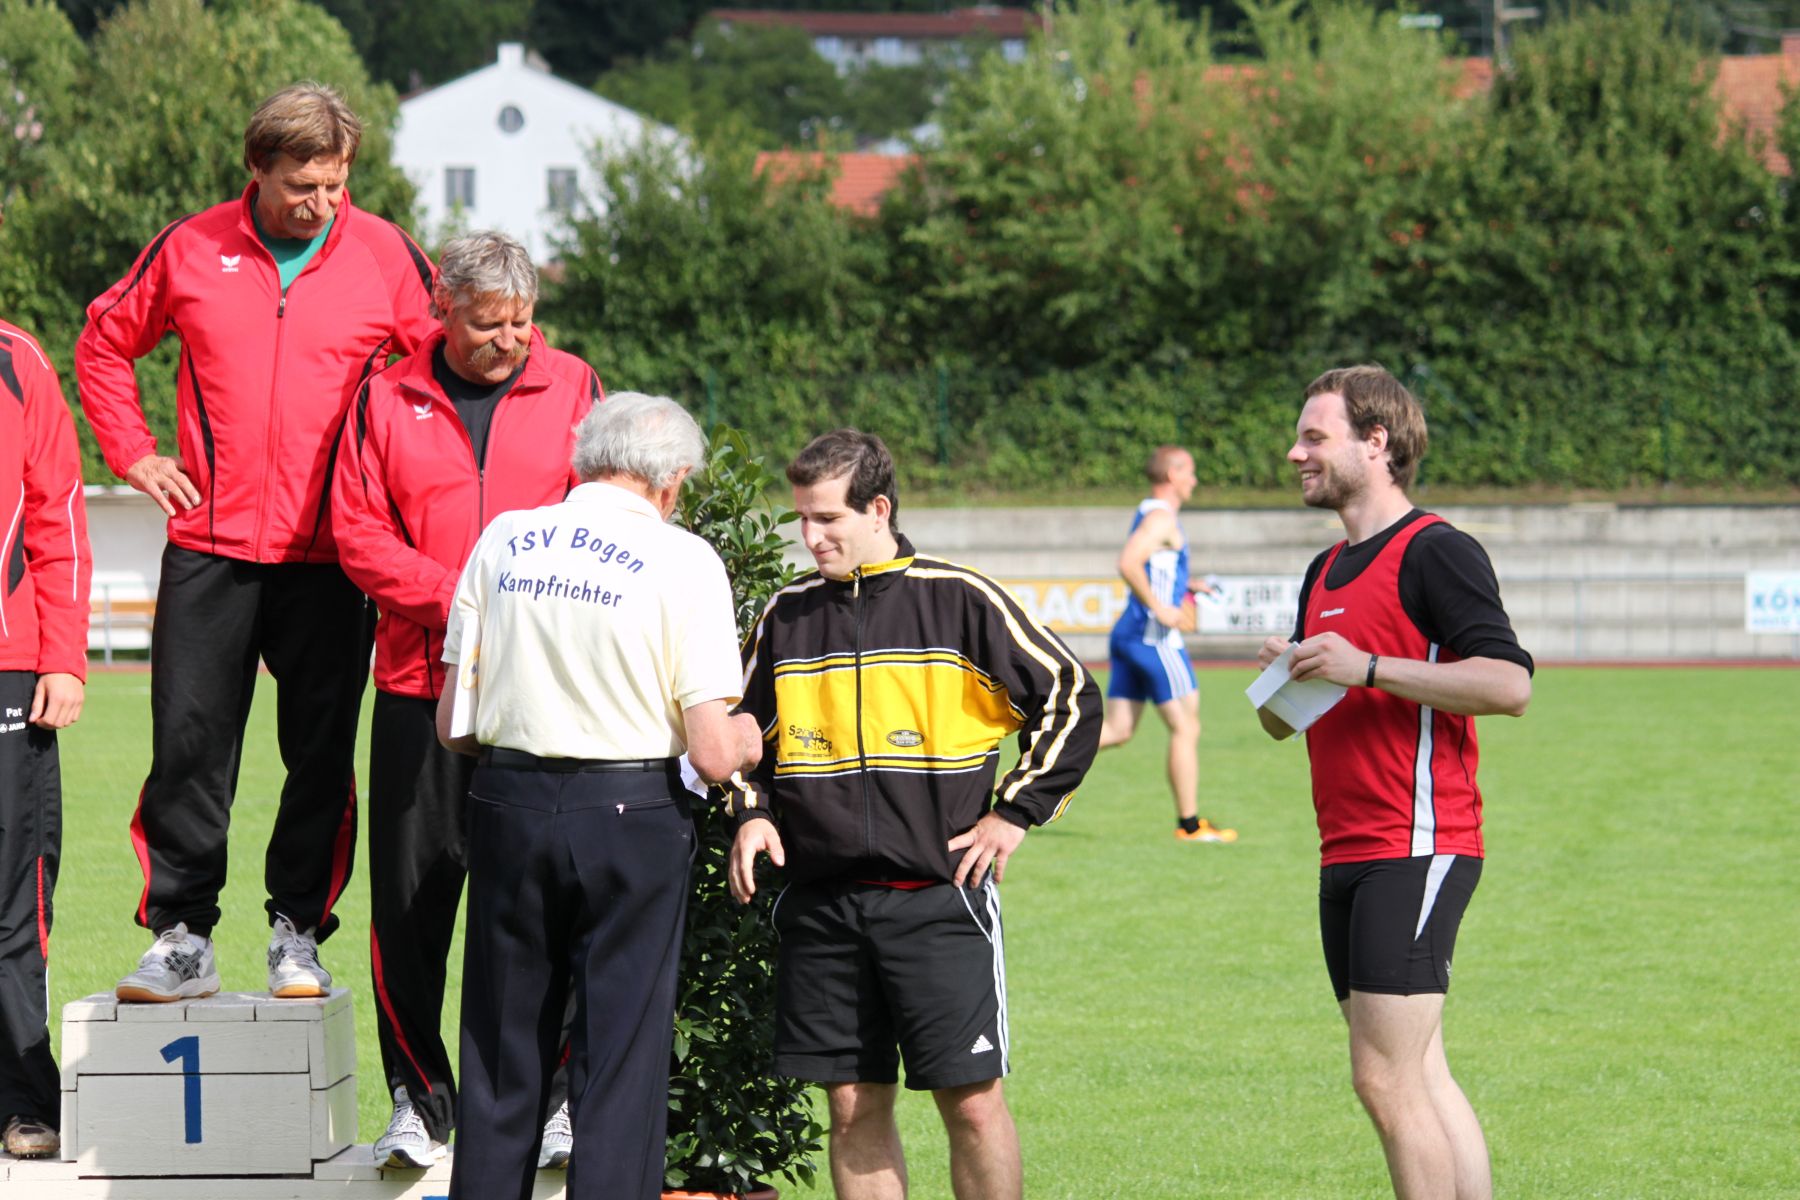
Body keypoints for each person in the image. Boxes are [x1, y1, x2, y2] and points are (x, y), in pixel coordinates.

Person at [77, 83, 436, 1004]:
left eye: (335, 183)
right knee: (188, 747)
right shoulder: (191, 246)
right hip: (210, 542)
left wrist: (394, 495)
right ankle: (182, 936)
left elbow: (442, 371)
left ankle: (297, 934)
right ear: (258, 170)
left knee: (320, 753)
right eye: (302, 185)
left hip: (334, 555)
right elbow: (104, 342)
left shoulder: (387, 254)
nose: (322, 203)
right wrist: (134, 452)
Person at [726, 430, 1101, 1200]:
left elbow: (1070, 696)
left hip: (939, 899)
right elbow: (738, 733)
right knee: (851, 1105)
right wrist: (751, 812)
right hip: (823, 905)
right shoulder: (787, 614)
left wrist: (1015, 812)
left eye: (828, 518)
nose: (810, 537)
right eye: (802, 518)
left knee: (972, 1104)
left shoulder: (959, 599)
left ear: (878, 509)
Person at [436, 393, 761, 1200]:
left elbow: (452, 725)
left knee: (500, 1049)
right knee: (621, 1056)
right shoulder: (684, 559)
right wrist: (750, 737)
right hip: (630, 810)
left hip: (509, 798)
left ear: (585, 456)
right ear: (671, 479)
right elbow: (713, 753)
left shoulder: (504, 537)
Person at [331, 231, 600, 1168]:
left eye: (523, 322)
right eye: (489, 324)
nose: (510, 340)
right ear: (441, 307)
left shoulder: (576, 385)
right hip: (419, 686)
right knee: (410, 907)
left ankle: (558, 1103)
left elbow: (604, 512)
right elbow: (358, 534)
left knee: (550, 902)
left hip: (544, 692)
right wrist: (467, 599)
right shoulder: (383, 396)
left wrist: (522, 605)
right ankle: (417, 1103)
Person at [1255, 365, 1532, 1200]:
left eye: (1315, 437)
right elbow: (1287, 723)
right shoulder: (1324, 570)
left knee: (1385, 1079)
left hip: (1417, 843)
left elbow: (1509, 684)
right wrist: (1285, 679)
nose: (1295, 453)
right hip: (1345, 849)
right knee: (1421, 1073)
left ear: (1376, 443)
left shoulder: (1437, 550)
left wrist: (1369, 666)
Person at [0, 317, 90, 1159]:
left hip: (9, 668)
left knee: (12, 900)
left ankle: (23, 1100)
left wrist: (62, 656)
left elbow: (58, 514)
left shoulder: (18, 360)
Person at [1097, 444, 1236, 843]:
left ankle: (1035, 762)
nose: (1194, 480)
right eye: (1189, 471)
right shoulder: (1161, 517)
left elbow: (1153, 565)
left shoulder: (1149, 512)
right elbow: (1128, 562)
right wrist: (1161, 607)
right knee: (1187, 726)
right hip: (1154, 639)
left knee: (1118, 730)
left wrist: (1188, 586)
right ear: (1173, 475)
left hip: (1130, 635)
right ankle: (1189, 825)